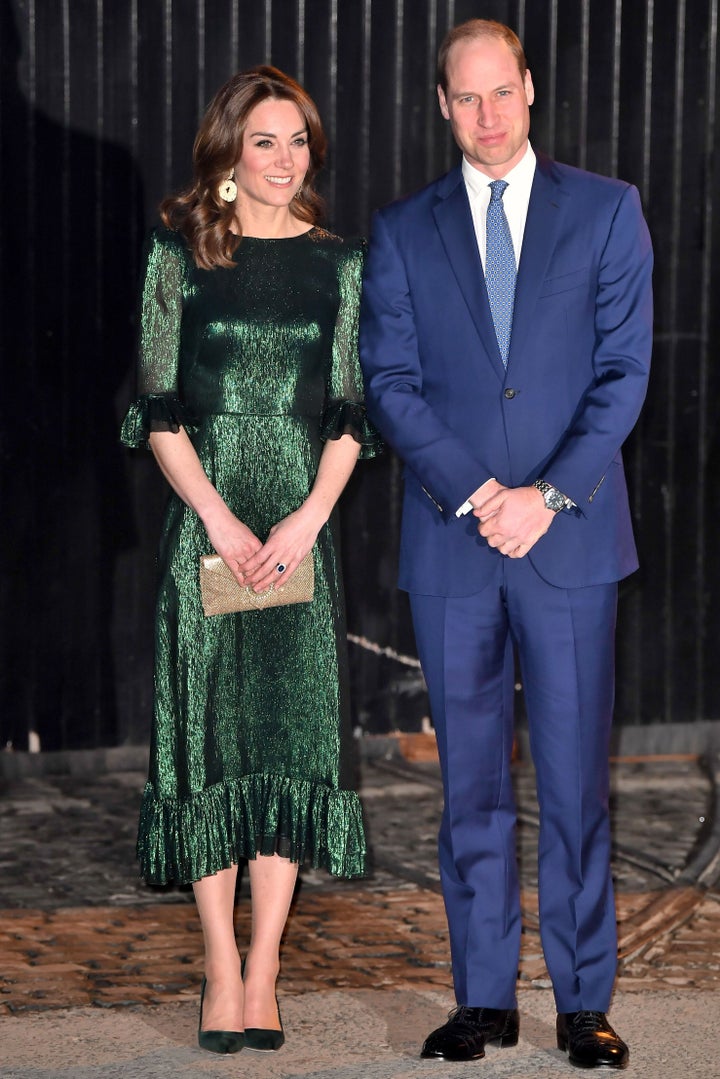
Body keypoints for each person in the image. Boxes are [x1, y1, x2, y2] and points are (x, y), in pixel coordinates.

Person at [360, 18, 652, 1071]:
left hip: (568, 540)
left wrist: (548, 496)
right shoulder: (402, 229)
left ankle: (584, 999)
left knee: (577, 780)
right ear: (442, 104)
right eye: (466, 98)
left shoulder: (609, 211)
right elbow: (389, 383)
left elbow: (624, 372)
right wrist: (485, 492)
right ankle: (483, 996)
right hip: (453, 542)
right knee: (470, 783)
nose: (489, 116)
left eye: (504, 92)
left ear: (530, 87)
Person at [121, 66, 380, 1056]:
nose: (285, 160)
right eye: (266, 141)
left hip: (299, 537)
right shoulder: (176, 254)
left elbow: (353, 408)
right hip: (211, 526)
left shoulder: (340, 263)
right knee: (210, 744)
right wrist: (223, 522)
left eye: (300, 141)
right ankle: (218, 964)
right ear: (228, 153)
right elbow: (156, 406)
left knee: (287, 744)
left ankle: (264, 964)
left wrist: (309, 516)